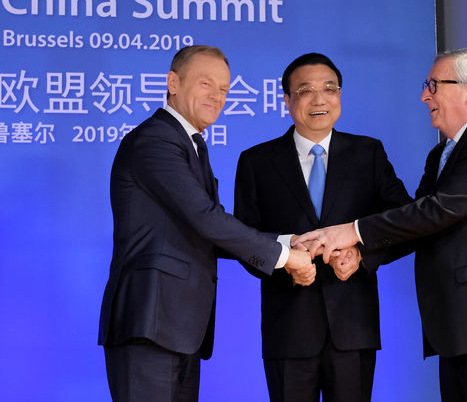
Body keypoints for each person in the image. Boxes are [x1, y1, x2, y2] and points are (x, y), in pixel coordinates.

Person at [296, 49, 467, 402]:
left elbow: (438, 211)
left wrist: (352, 231)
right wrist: (361, 255)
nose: (425, 95)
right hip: (461, 325)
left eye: (434, 85)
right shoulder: (442, 154)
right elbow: (421, 223)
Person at [98, 45, 315, 402]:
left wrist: (287, 241)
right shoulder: (155, 140)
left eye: (225, 89)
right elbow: (205, 218)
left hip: (178, 327)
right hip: (149, 324)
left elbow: (206, 228)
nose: (217, 96)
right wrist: (283, 258)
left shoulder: (191, 144)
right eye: (205, 84)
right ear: (172, 82)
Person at [233, 53, 411, 402]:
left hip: (353, 327)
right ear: (287, 100)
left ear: (340, 96)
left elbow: (404, 221)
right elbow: (242, 238)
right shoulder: (256, 161)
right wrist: (286, 256)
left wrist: (361, 253)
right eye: (306, 90)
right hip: (288, 330)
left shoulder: (368, 154)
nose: (320, 99)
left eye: (330, 89)